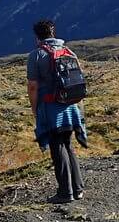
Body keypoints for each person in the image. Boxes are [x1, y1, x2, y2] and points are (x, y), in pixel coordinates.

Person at [27, 19, 87, 202]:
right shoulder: (68, 51)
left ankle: (65, 192)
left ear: (37, 37)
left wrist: (34, 109)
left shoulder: (37, 55)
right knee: (68, 145)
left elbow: (32, 86)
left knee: (57, 147)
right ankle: (77, 189)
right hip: (71, 107)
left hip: (51, 108)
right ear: (53, 33)